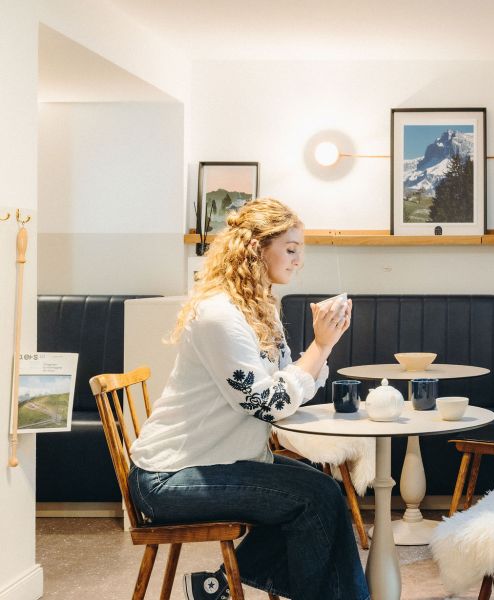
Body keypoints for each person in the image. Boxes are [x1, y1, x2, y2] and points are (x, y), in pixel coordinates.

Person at [127, 198, 369, 600]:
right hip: (169, 477)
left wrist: (322, 347)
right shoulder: (218, 315)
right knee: (315, 498)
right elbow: (268, 404)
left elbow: (285, 386)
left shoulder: (257, 309)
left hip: (217, 461)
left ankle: (217, 586)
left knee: (322, 490)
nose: (298, 261)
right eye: (291, 249)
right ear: (256, 248)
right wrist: (321, 346)